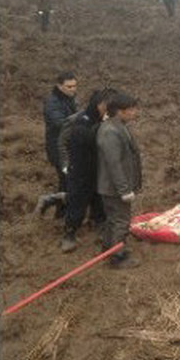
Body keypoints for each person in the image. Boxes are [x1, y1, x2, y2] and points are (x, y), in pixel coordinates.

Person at [60, 88, 118, 252]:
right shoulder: (82, 120)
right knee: (77, 201)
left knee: (99, 199)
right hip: (81, 170)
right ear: (100, 104)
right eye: (108, 105)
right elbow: (85, 138)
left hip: (99, 169)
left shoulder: (104, 120)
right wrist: (103, 127)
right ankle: (69, 233)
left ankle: (100, 225)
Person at [97, 93, 142, 269]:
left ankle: (108, 248)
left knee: (113, 220)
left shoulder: (119, 126)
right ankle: (117, 257)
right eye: (131, 110)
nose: (134, 112)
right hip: (114, 188)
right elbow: (113, 164)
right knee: (120, 222)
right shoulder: (110, 132)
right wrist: (124, 190)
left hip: (114, 186)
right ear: (119, 112)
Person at [38, 72, 78, 217]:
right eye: (69, 86)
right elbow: (60, 123)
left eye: (75, 86)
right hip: (58, 149)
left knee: (67, 180)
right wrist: (81, 119)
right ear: (59, 86)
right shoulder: (52, 102)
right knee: (67, 180)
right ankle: (60, 210)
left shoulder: (69, 98)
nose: (73, 89)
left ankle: (59, 210)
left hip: (67, 147)